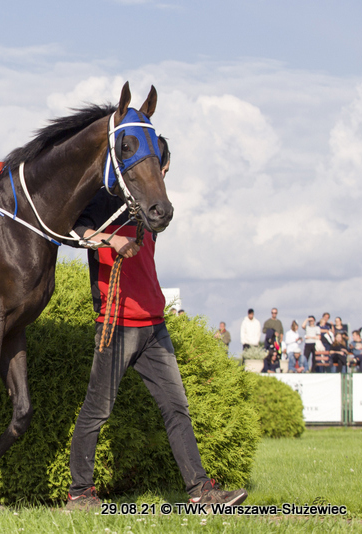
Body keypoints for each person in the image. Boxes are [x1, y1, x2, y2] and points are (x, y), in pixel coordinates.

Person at [63, 188, 247, 510]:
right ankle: (79, 494)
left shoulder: (148, 206)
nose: (161, 177)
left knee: (177, 408)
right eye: (160, 169)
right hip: (115, 325)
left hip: (154, 325)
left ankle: (201, 493)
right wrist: (111, 240)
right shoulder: (103, 200)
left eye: (164, 171)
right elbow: (70, 231)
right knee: (97, 411)